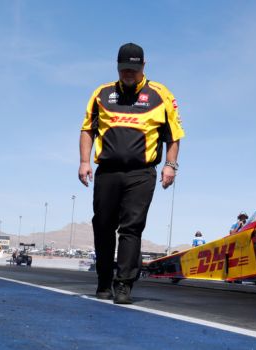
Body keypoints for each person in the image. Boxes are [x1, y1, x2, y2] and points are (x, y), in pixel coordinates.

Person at [78, 43, 184, 304]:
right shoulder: (101, 94)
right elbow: (87, 130)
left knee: (131, 228)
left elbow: (174, 136)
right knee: (102, 225)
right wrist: (84, 161)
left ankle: (124, 284)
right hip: (107, 172)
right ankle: (104, 280)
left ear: (143, 67)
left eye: (133, 70)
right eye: (124, 69)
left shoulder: (161, 95)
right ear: (117, 67)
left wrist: (170, 166)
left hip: (141, 173)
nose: (128, 73)